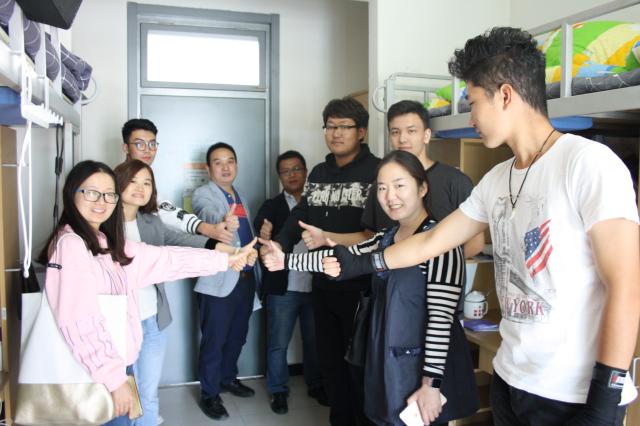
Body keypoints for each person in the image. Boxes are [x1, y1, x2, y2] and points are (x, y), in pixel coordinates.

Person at [322, 27, 640, 426]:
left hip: (573, 395)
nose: (470, 118)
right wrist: (359, 262)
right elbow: (431, 241)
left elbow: (625, 285)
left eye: (473, 103)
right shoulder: (496, 179)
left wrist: (604, 402)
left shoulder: (588, 163)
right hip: (512, 379)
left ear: (505, 95)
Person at [262, 151, 479, 425]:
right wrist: (284, 260)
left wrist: (431, 384)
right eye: (382, 188)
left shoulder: (441, 244)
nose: (390, 196)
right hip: (385, 358)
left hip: (422, 368)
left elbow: (441, 319)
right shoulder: (385, 237)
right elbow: (342, 258)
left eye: (399, 186)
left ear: (422, 188)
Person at [39, 160, 254, 426]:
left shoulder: (102, 241)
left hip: (117, 360)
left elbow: (164, 259)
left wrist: (226, 259)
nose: (101, 202)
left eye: (108, 194)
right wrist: (114, 379)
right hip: (98, 374)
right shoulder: (72, 245)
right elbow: (80, 321)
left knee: (144, 402)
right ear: (72, 193)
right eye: (91, 192)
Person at [264, 97, 381, 426]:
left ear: (361, 132)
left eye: (344, 127)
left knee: (359, 365)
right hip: (323, 284)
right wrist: (279, 244)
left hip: (361, 287)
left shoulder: (377, 171)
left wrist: (329, 237)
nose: (336, 133)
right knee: (330, 363)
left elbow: (378, 234)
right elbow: (300, 215)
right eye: (330, 126)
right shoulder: (318, 172)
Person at [114, 159, 256, 426]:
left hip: (152, 318)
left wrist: (229, 250)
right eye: (133, 181)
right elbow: (168, 258)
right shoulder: (104, 225)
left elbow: (183, 240)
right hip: (117, 322)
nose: (140, 188)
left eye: (147, 183)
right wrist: (224, 253)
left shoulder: (150, 221)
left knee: (148, 393)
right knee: (120, 397)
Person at [300, 100, 484, 259]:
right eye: (395, 132)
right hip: (385, 282)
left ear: (426, 135)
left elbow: (475, 244)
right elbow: (370, 238)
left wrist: (433, 268)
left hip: (433, 285)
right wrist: (325, 237)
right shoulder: (381, 184)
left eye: (411, 131)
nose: (402, 139)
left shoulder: (455, 181)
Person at [192, 142, 261, 421]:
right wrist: (222, 221)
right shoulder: (203, 194)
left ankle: (227, 378)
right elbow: (206, 214)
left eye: (230, 161)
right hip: (218, 281)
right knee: (214, 340)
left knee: (237, 335)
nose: (225, 167)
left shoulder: (239, 194)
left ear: (236, 165)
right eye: (218, 162)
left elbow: (246, 235)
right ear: (208, 169)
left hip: (245, 279)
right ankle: (209, 394)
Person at [253, 150, 325, 414]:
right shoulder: (271, 206)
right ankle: (278, 390)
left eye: (297, 169)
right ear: (279, 176)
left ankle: (315, 384)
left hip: (315, 284)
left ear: (305, 171)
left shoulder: (318, 202)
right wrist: (264, 233)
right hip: (283, 288)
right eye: (285, 171)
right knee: (278, 343)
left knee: (314, 341)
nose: (292, 175)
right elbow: (260, 231)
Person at [121, 118, 237, 244]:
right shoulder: (115, 180)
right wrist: (207, 228)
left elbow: (164, 211)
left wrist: (207, 230)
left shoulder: (150, 180)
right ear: (126, 148)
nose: (147, 150)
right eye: (140, 144)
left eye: (152, 144)